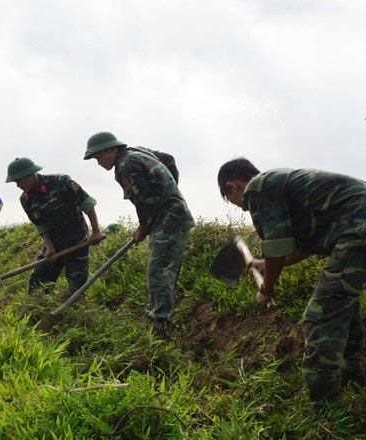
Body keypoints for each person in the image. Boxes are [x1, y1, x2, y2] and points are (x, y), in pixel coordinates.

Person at [217, 157, 366, 408]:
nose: (243, 209)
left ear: (233, 186)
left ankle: (325, 407)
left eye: (235, 202)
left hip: (358, 229)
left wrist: (267, 288)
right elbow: (303, 246)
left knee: (320, 316)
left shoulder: (258, 188)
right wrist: (265, 265)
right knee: (342, 304)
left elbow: (275, 249)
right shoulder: (280, 186)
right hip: (356, 228)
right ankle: (353, 376)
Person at [84, 132, 195, 337]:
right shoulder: (137, 152)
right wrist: (170, 190)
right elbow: (168, 159)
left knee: (158, 271)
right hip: (168, 216)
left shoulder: (126, 166)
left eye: (99, 157)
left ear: (112, 149)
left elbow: (145, 202)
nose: (98, 163)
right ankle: (156, 314)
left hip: (169, 219)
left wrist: (143, 228)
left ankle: (160, 328)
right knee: (162, 271)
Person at [5, 157, 103, 296]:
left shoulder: (61, 182)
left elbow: (87, 204)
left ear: (30, 175)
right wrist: (50, 247)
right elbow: (41, 226)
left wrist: (96, 232)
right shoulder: (25, 200)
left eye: (19, 180)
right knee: (37, 281)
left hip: (76, 239)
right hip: (54, 243)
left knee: (77, 289)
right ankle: (40, 312)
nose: (17, 185)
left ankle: (76, 314)